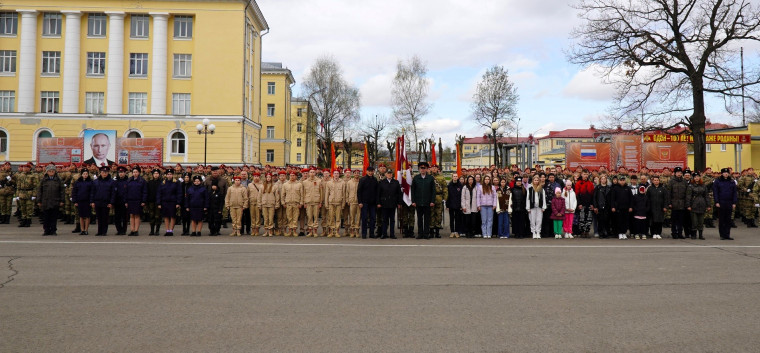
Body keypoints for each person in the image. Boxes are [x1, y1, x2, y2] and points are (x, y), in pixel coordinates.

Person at [37, 164, 64, 236]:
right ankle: (46, 230)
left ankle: (53, 230)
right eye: (50, 171)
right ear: (47, 172)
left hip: (55, 201)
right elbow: (40, 191)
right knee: (46, 217)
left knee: (54, 217)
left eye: (53, 171)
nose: (51, 172)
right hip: (45, 201)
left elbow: (62, 191)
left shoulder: (58, 180)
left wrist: (62, 200)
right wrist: (39, 201)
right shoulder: (43, 180)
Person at [411, 162, 435, 239]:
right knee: (419, 219)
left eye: (424, 168)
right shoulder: (416, 178)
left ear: (427, 169)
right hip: (418, 202)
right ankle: (420, 234)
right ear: (419, 169)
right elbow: (413, 190)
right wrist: (413, 201)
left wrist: (432, 201)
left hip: (427, 202)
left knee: (427, 219)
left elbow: (433, 191)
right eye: (421, 168)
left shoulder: (430, 178)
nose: (422, 169)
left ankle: (426, 234)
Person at [377, 168, 402, 239]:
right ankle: (384, 234)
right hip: (384, 203)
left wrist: (399, 203)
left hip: (392, 204)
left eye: (390, 173)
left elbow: (399, 194)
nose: (389, 175)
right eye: (388, 173)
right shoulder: (382, 182)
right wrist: (378, 203)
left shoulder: (396, 182)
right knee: (384, 220)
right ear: (385, 174)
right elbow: (378, 194)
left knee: (392, 220)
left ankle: (392, 234)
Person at [90, 166, 114, 236]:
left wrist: (111, 202)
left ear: (108, 173)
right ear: (100, 173)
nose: (104, 173)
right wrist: (92, 201)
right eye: (103, 172)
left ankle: (104, 231)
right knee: (99, 217)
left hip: (106, 202)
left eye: (106, 172)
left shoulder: (111, 182)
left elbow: (113, 193)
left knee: (105, 217)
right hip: (97, 201)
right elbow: (92, 192)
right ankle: (99, 231)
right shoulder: (95, 182)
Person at [686, 172, 710, 240]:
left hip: (702, 204)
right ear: (693, 178)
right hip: (694, 205)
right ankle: (693, 234)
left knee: (701, 221)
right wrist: (688, 205)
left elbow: (706, 196)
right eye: (695, 177)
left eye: (698, 177)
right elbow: (688, 196)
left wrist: (708, 205)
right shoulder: (691, 186)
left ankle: (700, 235)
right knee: (694, 222)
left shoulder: (703, 186)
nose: (697, 178)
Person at [358, 167, 380, 239]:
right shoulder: (363, 179)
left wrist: (377, 202)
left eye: (372, 171)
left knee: (373, 218)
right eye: (369, 171)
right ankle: (364, 234)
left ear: (373, 171)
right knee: (364, 218)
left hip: (373, 203)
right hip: (364, 202)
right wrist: (360, 202)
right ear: (366, 171)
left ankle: (371, 233)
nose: (370, 173)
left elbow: (377, 192)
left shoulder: (375, 180)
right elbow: (359, 191)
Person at [157, 170, 181, 236]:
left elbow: (179, 193)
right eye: (168, 174)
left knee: (173, 216)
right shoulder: (163, 183)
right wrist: (159, 203)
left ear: (172, 175)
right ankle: (167, 230)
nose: (169, 175)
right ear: (166, 175)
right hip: (164, 202)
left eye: (170, 174)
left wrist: (178, 203)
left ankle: (171, 230)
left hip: (173, 202)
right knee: (166, 216)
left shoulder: (176, 182)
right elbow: (159, 193)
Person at [668, 167, 689, 239]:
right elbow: (669, 193)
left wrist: (687, 203)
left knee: (681, 220)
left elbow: (687, 194)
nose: (679, 174)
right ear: (675, 173)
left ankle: (680, 233)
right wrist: (669, 203)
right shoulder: (671, 181)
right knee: (674, 220)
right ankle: (674, 233)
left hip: (682, 203)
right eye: (677, 172)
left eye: (680, 172)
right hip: (674, 203)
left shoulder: (684, 182)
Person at [125, 167, 147, 236]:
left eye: (136, 172)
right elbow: (126, 192)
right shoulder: (129, 180)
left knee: (137, 215)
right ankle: (132, 230)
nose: (135, 173)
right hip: (130, 200)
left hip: (138, 200)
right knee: (131, 215)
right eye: (134, 172)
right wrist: (126, 201)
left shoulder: (142, 181)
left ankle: (136, 230)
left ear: (139, 173)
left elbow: (145, 192)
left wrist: (143, 201)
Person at [281, 171, 304, 237]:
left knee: (295, 218)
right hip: (288, 203)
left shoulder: (299, 184)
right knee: (289, 217)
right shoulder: (285, 184)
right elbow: (283, 195)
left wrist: (301, 203)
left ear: (296, 176)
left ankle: (294, 230)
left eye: (293, 175)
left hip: (296, 203)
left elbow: (302, 195)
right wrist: (283, 203)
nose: (292, 177)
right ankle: (290, 230)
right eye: (291, 175)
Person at [324, 170, 346, 238]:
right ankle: (331, 232)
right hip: (331, 203)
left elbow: (344, 194)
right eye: (335, 173)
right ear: (332, 174)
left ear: (339, 174)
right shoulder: (329, 183)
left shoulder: (342, 183)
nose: (336, 175)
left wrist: (343, 204)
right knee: (331, 217)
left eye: (337, 173)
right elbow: (327, 194)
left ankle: (336, 231)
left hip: (339, 203)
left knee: (338, 218)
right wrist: (326, 204)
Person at [574, 170, 595, 237]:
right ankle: (582, 231)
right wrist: (579, 204)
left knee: (589, 218)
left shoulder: (590, 183)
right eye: (584, 174)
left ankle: (587, 231)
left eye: (587, 174)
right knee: (582, 218)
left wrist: (592, 204)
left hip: (589, 203)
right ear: (582, 175)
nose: (586, 175)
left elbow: (592, 195)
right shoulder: (578, 183)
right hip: (581, 204)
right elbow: (577, 195)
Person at [72, 169, 93, 235]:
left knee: (87, 216)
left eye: (86, 174)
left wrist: (91, 201)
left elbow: (92, 193)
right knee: (81, 216)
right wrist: (75, 201)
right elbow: (74, 192)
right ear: (81, 174)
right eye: (84, 174)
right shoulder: (78, 182)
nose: (85, 175)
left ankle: (86, 230)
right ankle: (82, 229)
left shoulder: (91, 182)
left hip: (87, 201)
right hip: (80, 201)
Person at [646, 175, 668, 239]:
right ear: (652, 181)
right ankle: (653, 233)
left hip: (660, 208)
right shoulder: (650, 188)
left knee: (659, 221)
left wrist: (665, 206)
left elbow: (665, 198)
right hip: (652, 207)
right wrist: (648, 207)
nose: (656, 181)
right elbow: (647, 198)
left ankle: (658, 233)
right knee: (652, 221)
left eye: (657, 180)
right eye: (655, 180)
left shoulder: (663, 188)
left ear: (659, 181)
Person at [111, 166, 129, 235]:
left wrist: (127, 201)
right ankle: (119, 230)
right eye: (119, 173)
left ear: (125, 173)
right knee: (117, 217)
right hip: (117, 201)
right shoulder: (115, 182)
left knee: (124, 217)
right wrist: (112, 202)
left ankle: (124, 230)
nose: (121, 174)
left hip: (124, 202)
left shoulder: (127, 181)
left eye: (122, 172)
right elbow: (113, 192)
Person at [146, 169, 162, 235]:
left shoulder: (162, 182)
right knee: (151, 216)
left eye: (157, 173)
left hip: (159, 202)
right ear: (152, 175)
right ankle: (152, 230)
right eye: (155, 173)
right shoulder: (149, 182)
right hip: (151, 201)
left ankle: (157, 230)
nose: (156, 175)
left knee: (158, 216)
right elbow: (147, 192)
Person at [345, 169, 361, 238]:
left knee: (358, 217)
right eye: (355, 173)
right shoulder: (349, 182)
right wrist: (347, 200)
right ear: (353, 174)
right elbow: (347, 192)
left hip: (359, 201)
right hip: (352, 201)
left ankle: (357, 230)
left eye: (358, 173)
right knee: (352, 216)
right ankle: (352, 230)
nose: (356, 174)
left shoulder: (361, 182)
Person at [247, 172, 263, 236]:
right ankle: (253, 229)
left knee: (258, 217)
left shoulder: (262, 185)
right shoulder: (250, 185)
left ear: (259, 177)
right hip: (251, 202)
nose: (256, 178)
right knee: (252, 216)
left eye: (257, 176)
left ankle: (257, 230)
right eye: (255, 176)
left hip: (258, 203)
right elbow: (247, 194)